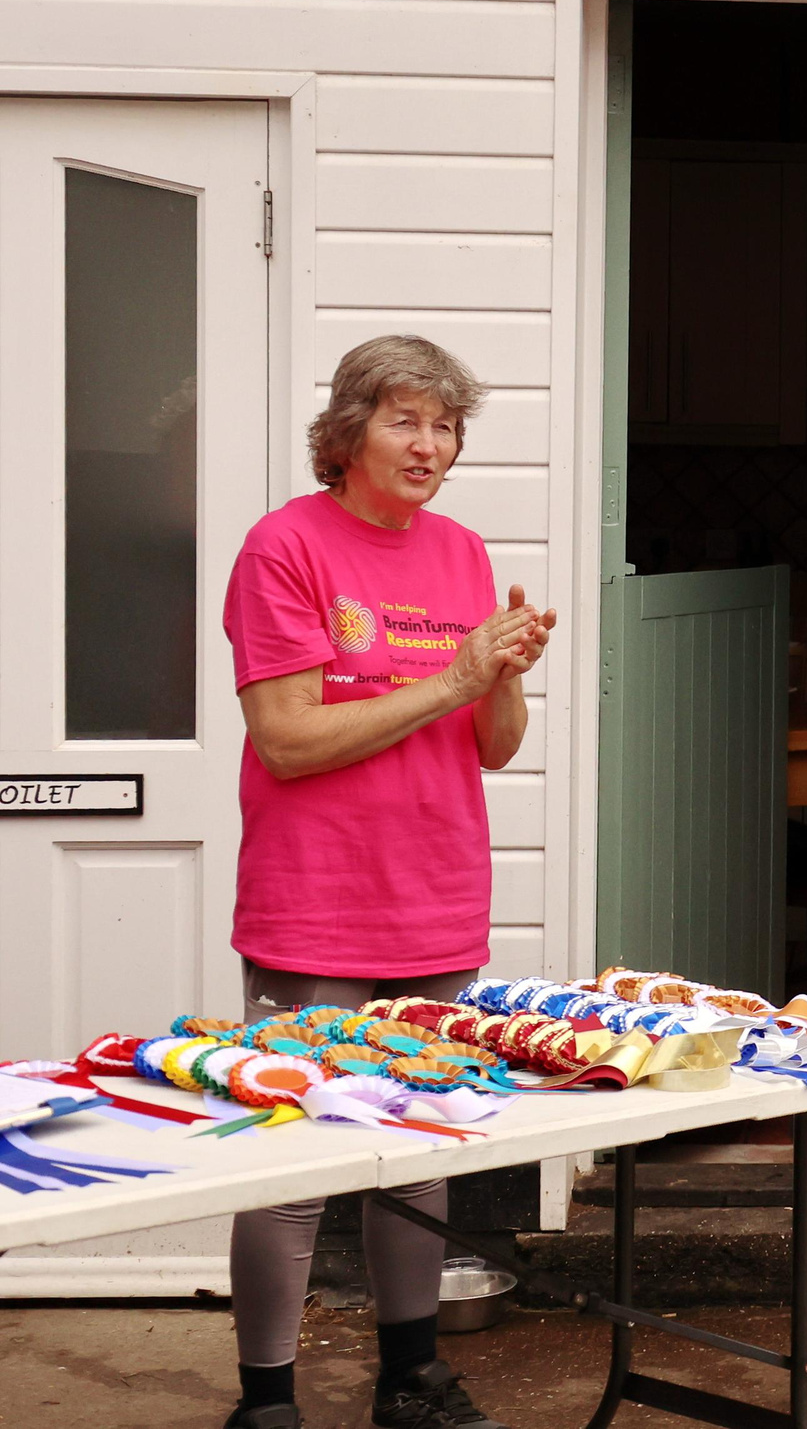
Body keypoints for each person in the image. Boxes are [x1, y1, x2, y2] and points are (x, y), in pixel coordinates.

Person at [220, 336, 555, 1429]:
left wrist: (498, 679)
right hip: (316, 902)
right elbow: (287, 740)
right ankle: (266, 1399)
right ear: (348, 431)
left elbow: (491, 744)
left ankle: (410, 1374)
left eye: (446, 426)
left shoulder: (460, 552)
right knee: (294, 1157)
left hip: (435, 892)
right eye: (405, 421)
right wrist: (453, 673)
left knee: (418, 1144)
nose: (430, 445)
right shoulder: (285, 548)